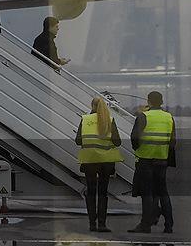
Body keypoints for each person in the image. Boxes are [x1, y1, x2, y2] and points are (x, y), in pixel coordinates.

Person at [128, 91, 175, 234]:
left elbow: (134, 137)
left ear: (148, 101)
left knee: (147, 193)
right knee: (163, 192)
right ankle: (169, 225)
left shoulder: (144, 116)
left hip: (145, 159)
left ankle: (145, 225)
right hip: (162, 160)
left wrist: (138, 149)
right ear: (161, 102)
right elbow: (172, 141)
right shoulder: (169, 117)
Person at [75, 97, 122, 232]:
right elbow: (117, 142)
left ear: (92, 106)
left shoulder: (85, 119)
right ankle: (102, 224)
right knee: (102, 192)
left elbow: (78, 141)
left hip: (90, 160)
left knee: (91, 191)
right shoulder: (110, 120)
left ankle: (92, 224)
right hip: (106, 162)